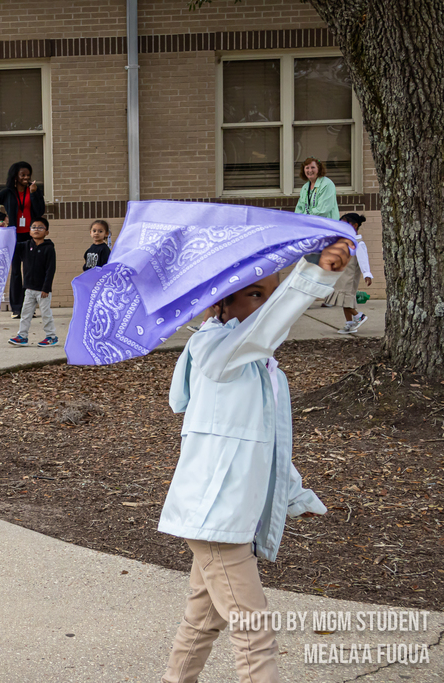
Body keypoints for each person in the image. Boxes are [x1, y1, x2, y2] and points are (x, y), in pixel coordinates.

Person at [158, 239, 353, 683]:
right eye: (259, 295)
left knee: (204, 619)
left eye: (272, 293)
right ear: (222, 302)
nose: (268, 307)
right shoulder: (217, 354)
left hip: (230, 518)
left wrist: (293, 491)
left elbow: (267, 442)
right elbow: (264, 332)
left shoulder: (260, 367)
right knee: (254, 629)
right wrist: (315, 277)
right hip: (214, 518)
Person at [0, 161, 45, 318]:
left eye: (28, 175)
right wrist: (3, 217)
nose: (26, 178)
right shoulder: (7, 193)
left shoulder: (33, 190)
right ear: (15, 177)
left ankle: (29, 308)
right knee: (16, 271)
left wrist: (34, 193)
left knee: (30, 271)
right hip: (13, 235)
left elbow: (40, 211)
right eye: (22, 175)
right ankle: (16, 308)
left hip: (30, 235)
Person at [7, 218, 58, 347]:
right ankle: (22, 336)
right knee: (25, 314)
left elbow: (50, 269)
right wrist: (3, 229)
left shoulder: (49, 249)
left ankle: (51, 336)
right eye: (34, 227)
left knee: (46, 314)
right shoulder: (25, 246)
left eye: (40, 227)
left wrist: (46, 288)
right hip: (29, 289)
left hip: (43, 290)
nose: (36, 229)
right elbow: (10, 243)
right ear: (29, 231)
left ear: (46, 232)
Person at [325, 213, 373, 334]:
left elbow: (363, 260)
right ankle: (350, 323)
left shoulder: (359, 243)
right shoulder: (345, 241)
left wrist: (367, 273)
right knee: (343, 300)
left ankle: (359, 316)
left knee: (346, 300)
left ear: (355, 226)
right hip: (342, 275)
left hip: (349, 277)